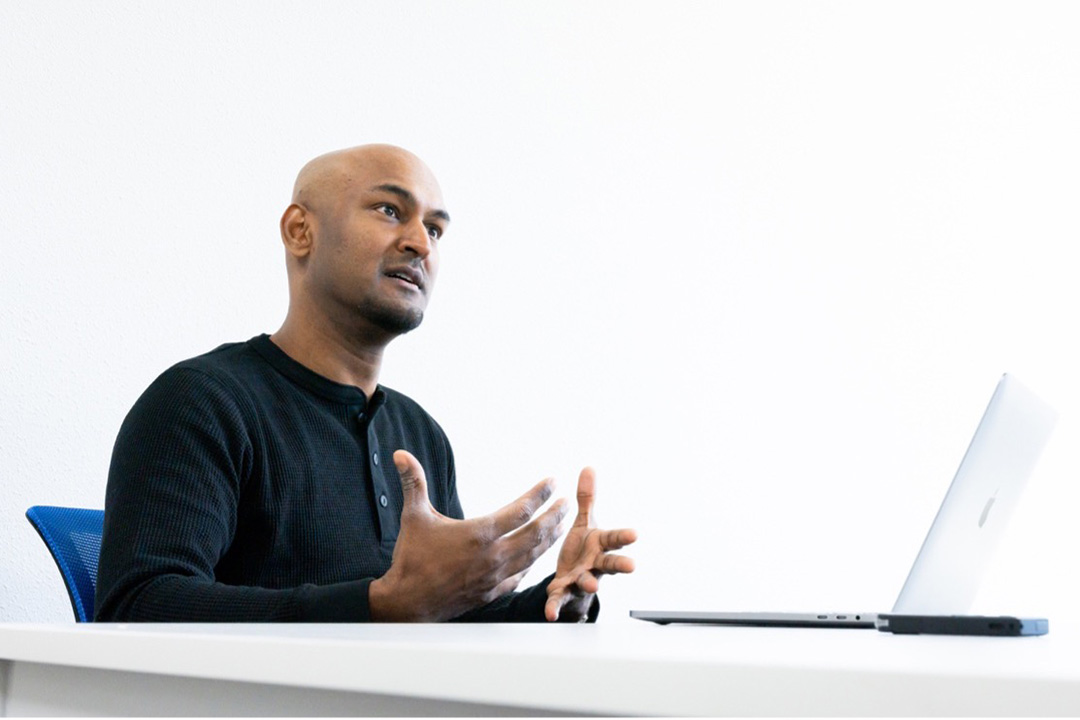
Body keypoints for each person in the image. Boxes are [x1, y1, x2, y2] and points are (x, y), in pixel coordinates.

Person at [95, 144, 637, 623]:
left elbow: (438, 618)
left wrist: (557, 599)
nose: (420, 243)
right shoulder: (202, 402)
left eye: (435, 229)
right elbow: (138, 606)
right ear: (299, 230)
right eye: (389, 210)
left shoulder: (420, 434)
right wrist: (379, 604)